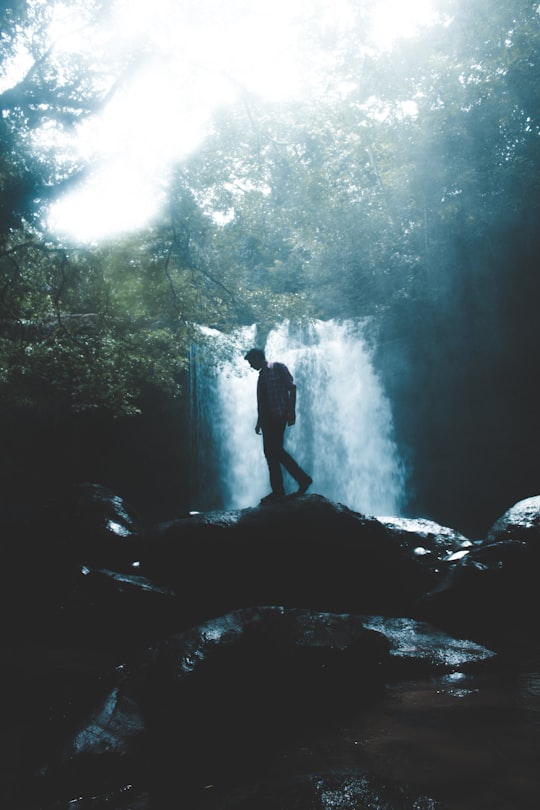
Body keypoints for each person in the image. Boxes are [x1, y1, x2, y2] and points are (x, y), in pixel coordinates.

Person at [244, 348, 312, 503]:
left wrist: (292, 411)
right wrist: (259, 422)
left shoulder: (277, 367)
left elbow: (292, 387)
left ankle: (302, 479)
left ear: (257, 357)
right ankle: (278, 490)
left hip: (279, 415)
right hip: (267, 419)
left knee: (276, 450)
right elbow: (262, 401)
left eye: (250, 362)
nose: (250, 365)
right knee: (270, 453)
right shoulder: (261, 376)